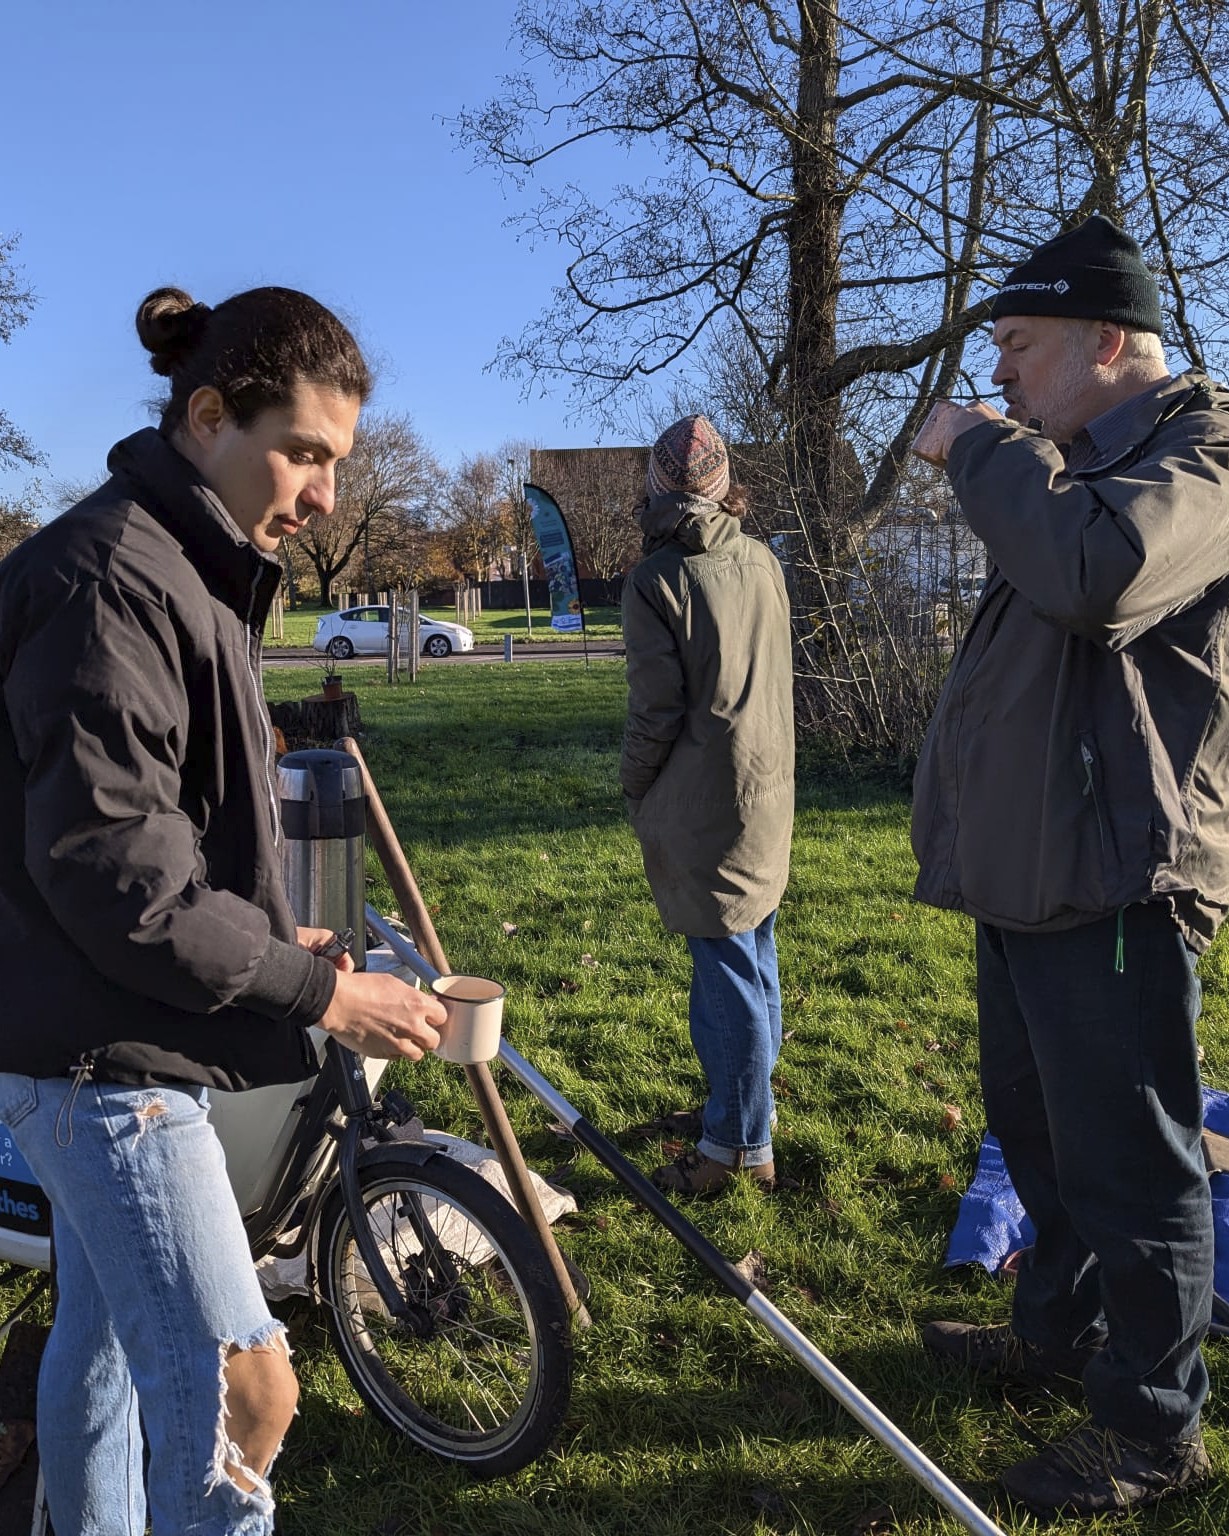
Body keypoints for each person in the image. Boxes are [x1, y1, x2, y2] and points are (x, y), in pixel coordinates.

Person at [0, 285, 448, 1535]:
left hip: (105, 1034)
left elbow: (161, 833)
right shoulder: (110, 581)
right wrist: (323, 994)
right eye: (302, 452)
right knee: (246, 1394)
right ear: (208, 417)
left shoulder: (182, 568)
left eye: (335, 461)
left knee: (99, 1348)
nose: (324, 495)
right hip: (102, 1068)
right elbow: (118, 881)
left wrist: (264, 930)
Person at [911, 215, 1229, 1515]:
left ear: (1106, 341)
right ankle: (1054, 1336)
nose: (996, 373)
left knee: (1130, 1164)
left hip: (1117, 883)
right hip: (1034, 875)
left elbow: (1095, 574)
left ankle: (1152, 1431)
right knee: (1037, 1132)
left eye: (1018, 342)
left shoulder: (1200, 458)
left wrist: (980, 449)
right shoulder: (1079, 466)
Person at [620, 414, 794, 1195]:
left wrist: (634, 784)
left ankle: (735, 1148)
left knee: (725, 978)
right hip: (767, 789)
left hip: (701, 799)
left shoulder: (655, 579)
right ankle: (744, 1106)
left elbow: (655, 711)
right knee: (753, 957)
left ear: (655, 487)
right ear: (725, 487)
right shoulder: (762, 558)